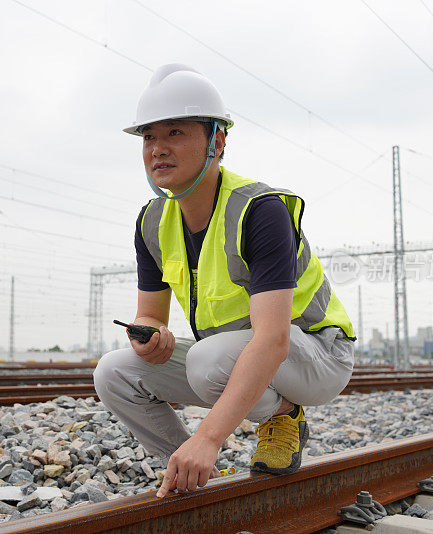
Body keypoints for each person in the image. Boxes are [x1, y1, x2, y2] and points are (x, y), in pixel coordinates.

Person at [93, 64, 356, 499]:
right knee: (114, 372)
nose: (158, 148)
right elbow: (151, 315)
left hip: (315, 353)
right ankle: (190, 473)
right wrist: (151, 335)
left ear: (217, 141)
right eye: (148, 136)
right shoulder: (153, 221)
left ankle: (283, 416)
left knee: (207, 360)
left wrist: (210, 437)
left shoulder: (259, 210)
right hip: (227, 357)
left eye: (174, 132)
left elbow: (272, 340)